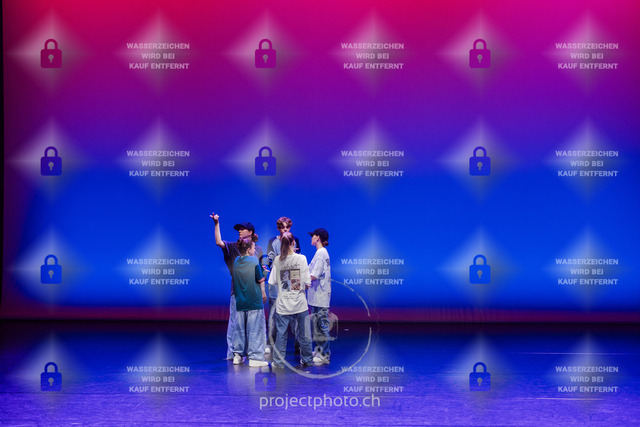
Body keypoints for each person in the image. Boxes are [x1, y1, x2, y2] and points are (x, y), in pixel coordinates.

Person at [210, 211, 264, 360]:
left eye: (242, 228)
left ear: (250, 232)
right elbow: (219, 242)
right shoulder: (234, 246)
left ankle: (249, 352)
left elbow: (261, 271)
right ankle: (234, 353)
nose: (239, 230)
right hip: (238, 291)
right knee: (235, 323)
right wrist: (216, 223)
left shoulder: (257, 249)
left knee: (253, 324)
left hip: (253, 293)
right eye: (238, 229)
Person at [268, 232, 314, 367]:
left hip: (283, 304)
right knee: (304, 334)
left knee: (281, 334)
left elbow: (272, 281)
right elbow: (307, 282)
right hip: (300, 303)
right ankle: (307, 360)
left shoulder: (277, 260)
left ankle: (278, 362)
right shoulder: (302, 258)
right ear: (293, 243)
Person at [265, 217, 301, 354]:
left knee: (295, 316)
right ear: (278, 228)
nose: (285, 230)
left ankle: (299, 345)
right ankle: (270, 343)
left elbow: (297, 261)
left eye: (287, 227)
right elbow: (270, 260)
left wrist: (296, 286)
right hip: (276, 284)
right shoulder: (272, 241)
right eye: (283, 227)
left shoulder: (295, 239)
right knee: (273, 315)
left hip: (291, 283)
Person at [231, 237, 268, 367]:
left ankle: (237, 355)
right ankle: (255, 357)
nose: (254, 249)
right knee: (255, 330)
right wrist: (264, 273)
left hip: (240, 301)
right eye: (253, 247)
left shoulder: (236, 260)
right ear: (248, 249)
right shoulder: (254, 260)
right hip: (253, 300)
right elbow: (260, 279)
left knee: (239, 329)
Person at [307, 228, 332, 364]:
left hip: (320, 295)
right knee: (317, 325)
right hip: (317, 295)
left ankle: (324, 354)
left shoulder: (321, 253)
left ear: (318, 238)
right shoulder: (320, 253)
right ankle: (319, 350)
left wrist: (300, 281)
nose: (311, 238)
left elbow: (314, 275)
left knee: (321, 325)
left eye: (313, 236)